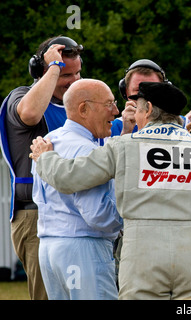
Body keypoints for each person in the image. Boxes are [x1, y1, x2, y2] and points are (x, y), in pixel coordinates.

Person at [30, 81, 191, 300]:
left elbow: (68, 178)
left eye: (137, 109)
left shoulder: (123, 146)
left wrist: (45, 157)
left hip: (141, 255)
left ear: (147, 109)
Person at [0, 35, 83, 299]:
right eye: (65, 74)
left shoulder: (74, 108)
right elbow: (30, 114)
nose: (74, 81)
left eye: (78, 73)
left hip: (75, 214)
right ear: (42, 71)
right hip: (37, 215)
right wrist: (52, 68)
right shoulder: (22, 97)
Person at [31, 79, 123, 300]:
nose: (116, 111)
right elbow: (98, 215)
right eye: (109, 104)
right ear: (84, 109)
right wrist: (130, 216)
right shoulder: (86, 149)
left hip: (49, 248)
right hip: (84, 248)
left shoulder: (49, 141)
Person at [110, 59, 167, 137]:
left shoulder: (181, 124)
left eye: (153, 89)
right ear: (126, 92)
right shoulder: (111, 128)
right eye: (138, 90)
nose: (146, 96)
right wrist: (126, 133)